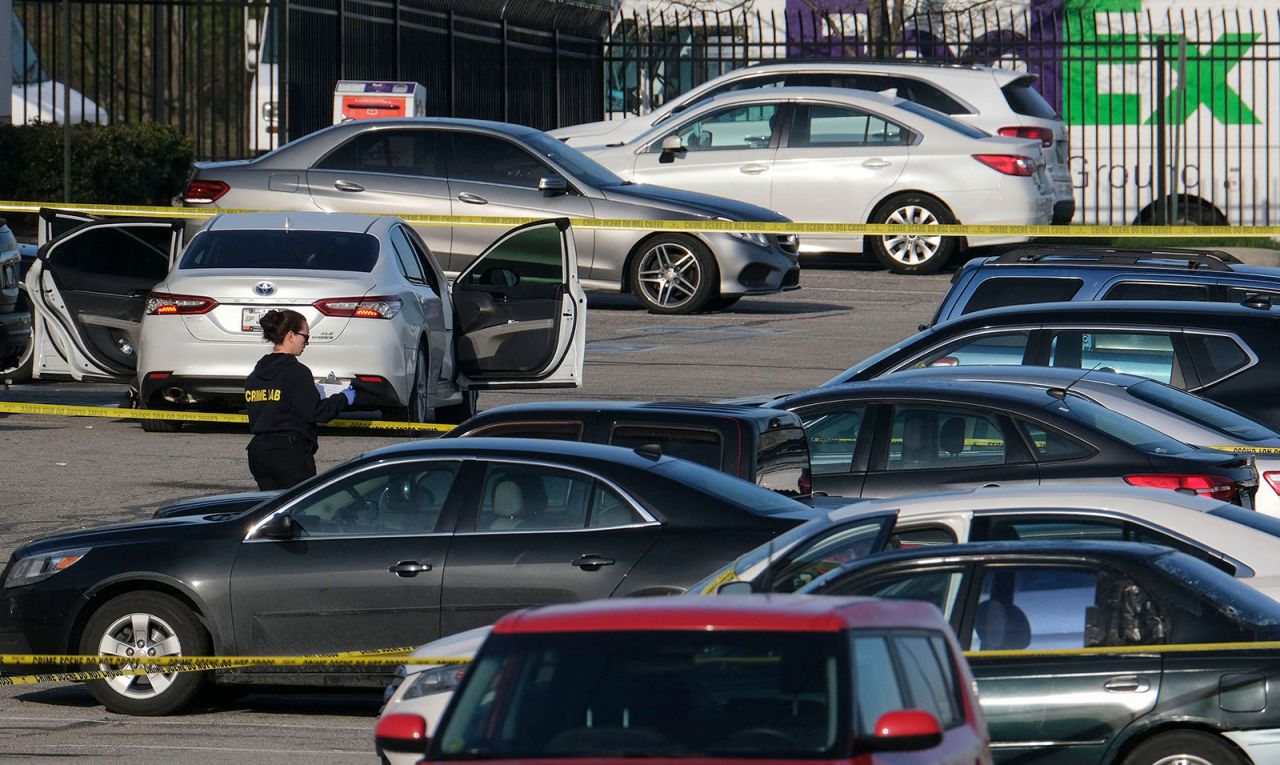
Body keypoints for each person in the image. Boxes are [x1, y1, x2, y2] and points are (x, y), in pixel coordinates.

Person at [244, 309, 355, 490]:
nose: (307, 343)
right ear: (291, 336)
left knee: (270, 511)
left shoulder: (255, 376)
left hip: (258, 454)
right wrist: (342, 399)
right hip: (289, 455)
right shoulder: (297, 372)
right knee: (299, 511)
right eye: (305, 336)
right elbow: (316, 413)